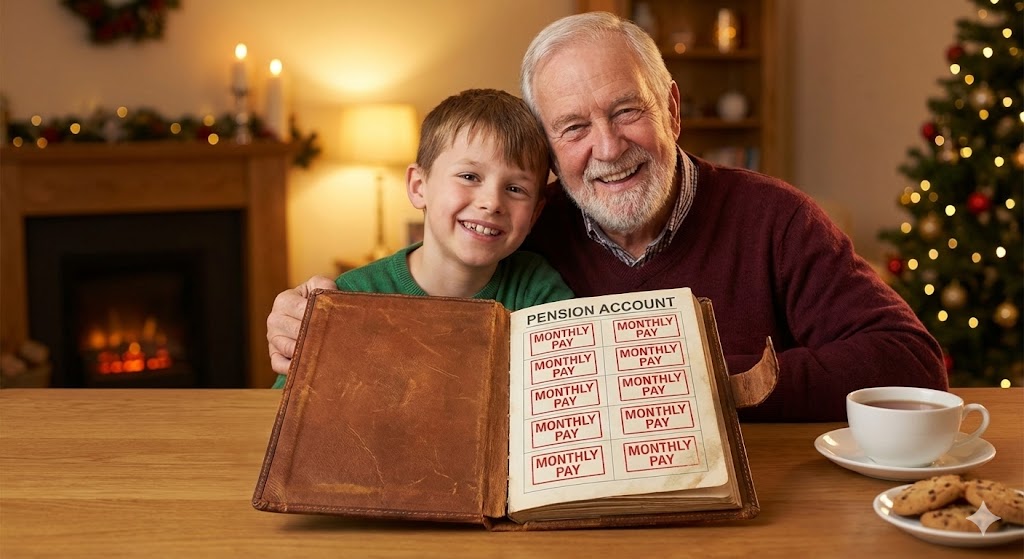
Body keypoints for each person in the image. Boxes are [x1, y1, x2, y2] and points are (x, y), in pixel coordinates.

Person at [267, 13, 947, 419]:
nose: (609, 147)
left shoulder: (776, 219)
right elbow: (419, 307)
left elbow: (913, 363)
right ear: (547, 152)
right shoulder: (523, 226)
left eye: (627, 110)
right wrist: (303, 317)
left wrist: (716, 384)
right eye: (573, 127)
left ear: (672, 109)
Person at [270, 88, 573, 388]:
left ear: (534, 214)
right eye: (469, 177)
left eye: (515, 189)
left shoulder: (537, 290)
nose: (492, 202)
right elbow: (286, 411)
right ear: (418, 186)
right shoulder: (352, 296)